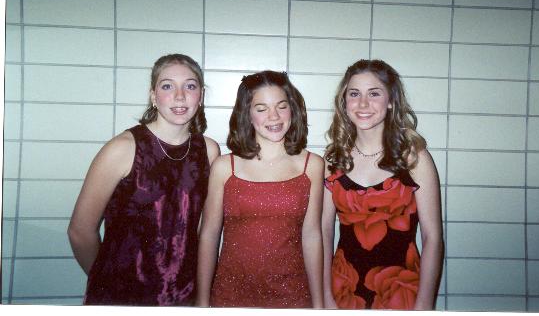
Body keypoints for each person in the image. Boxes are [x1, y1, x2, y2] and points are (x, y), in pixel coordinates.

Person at [68, 54, 220, 305]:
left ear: (200, 96)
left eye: (190, 86)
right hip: (122, 299)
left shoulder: (209, 151)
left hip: (182, 298)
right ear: (153, 96)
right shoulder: (122, 149)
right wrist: (107, 281)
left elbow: (204, 231)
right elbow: (80, 232)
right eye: (167, 86)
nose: (180, 96)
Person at [321, 59, 444, 310]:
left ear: (390, 101)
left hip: (402, 293)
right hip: (344, 292)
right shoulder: (333, 159)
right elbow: (323, 233)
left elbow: (433, 238)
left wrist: (424, 305)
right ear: (344, 102)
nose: (363, 103)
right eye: (354, 94)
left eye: (374, 93)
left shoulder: (414, 159)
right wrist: (325, 298)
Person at [196, 70, 324, 308]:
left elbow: (312, 235)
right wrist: (202, 303)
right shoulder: (224, 167)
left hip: (292, 295)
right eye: (261, 108)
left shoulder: (312, 166)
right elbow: (209, 235)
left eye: (281, 106)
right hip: (231, 296)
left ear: (293, 109)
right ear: (247, 114)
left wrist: (318, 305)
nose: (274, 116)